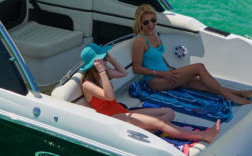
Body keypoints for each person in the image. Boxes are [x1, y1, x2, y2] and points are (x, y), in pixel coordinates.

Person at [79, 43, 220, 144]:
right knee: (160, 122)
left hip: (122, 112)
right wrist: (102, 71)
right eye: (102, 58)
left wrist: (110, 59)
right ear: (94, 63)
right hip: (113, 118)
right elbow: (109, 96)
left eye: (104, 57)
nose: (104, 60)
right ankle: (203, 135)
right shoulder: (88, 84)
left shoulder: (104, 73)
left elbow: (123, 73)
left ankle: (147, 129)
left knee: (169, 112)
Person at [131, 4, 252, 106]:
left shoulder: (154, 33)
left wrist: (168, 66)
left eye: (153, 20)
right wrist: (161, 73)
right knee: (198, 67)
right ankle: (230, 97)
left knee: (204, 85)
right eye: (146, 22)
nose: (150, 24)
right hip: (155, 81)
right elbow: (137, 68)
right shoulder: (140, 41)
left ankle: (240, 93)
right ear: (140, 23)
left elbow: (158, 54)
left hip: (167, 74)